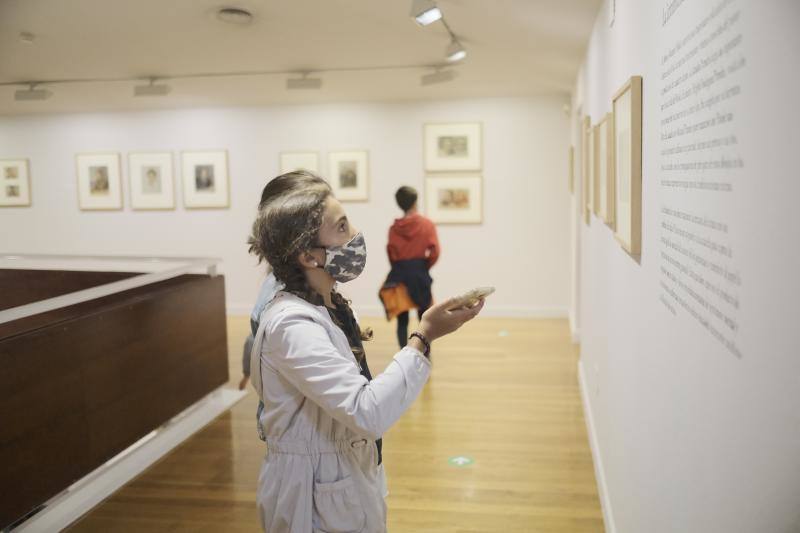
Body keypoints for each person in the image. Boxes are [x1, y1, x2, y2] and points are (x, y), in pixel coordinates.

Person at [247, 171, 483, 532]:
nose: (355, 235)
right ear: (309, 256)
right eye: (341, 227)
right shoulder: (292, 327)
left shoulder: (332, 305)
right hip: (309, 496)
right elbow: (367, 410)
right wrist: (424, 335)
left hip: (343, 476)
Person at [381, 185, 441, 348]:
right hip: (419, 274)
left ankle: (404, 355)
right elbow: (435, 251)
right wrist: (424, 266)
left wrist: (400, 266)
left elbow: (391, 253)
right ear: (415, 202)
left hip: (400, 274)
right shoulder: (427, 225)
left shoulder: (394, 229)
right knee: (424, 319)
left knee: (402, 320)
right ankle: (425, 354)